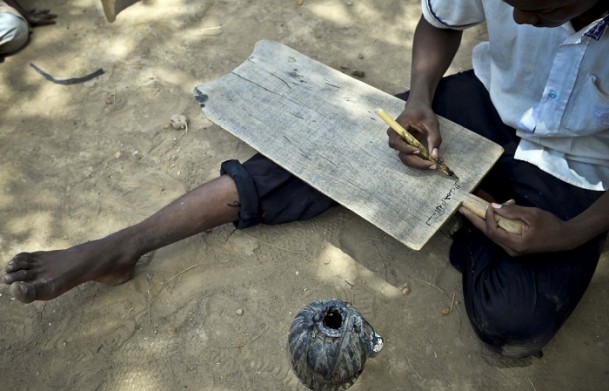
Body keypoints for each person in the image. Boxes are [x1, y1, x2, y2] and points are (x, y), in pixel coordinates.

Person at [2, 0, 608, 359]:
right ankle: (121, 246)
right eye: (515, 6)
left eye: (548, 9)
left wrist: (573, 232)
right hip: (484, 105)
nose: (526, 19)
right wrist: (420, 99)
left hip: (583, 168)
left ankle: (468, 215)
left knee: (512, 324)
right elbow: (440, 19)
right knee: (326, 153)